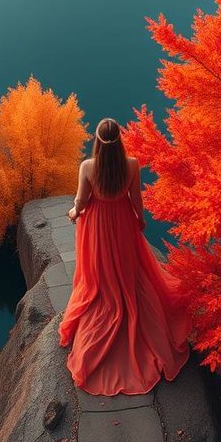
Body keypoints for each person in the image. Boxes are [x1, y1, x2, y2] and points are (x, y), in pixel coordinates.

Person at [57, 116, 192, 395]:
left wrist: (73, 213)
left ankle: (106, 296)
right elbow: (136, 201)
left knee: (99, 274)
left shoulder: (87, 166)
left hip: (96, 226)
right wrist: (140, 221)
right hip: (122, 222)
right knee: (130, 271)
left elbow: (81, 202)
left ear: (97, 140)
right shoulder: (131, 165)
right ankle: (127, 299)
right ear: (120, 140)